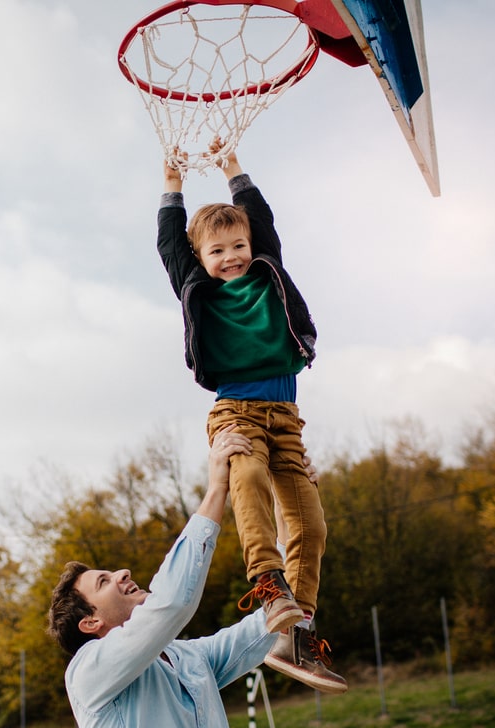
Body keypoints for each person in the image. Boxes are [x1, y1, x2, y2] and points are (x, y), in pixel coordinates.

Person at [157, 139, 346, 694]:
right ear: (202, 260)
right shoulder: (197, 289)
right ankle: (267, 581)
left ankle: (296, 632)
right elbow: (172, 244)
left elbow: (260, 219)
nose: (232, 256)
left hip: (287, 416)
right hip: (234, 411)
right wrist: (173, 183)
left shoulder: (267, 269)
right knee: (248, 475)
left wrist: (231, 167)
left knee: (312, 523)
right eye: (218, 251)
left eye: (238, 245)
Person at [48, 427, 277, 728]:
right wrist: (217, 489)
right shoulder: (88, 672)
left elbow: (275, 622)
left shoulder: (188, 657)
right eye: (103, 582)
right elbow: (171, 604)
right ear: (91, 623)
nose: (123, 573)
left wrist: (296, 505)